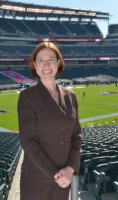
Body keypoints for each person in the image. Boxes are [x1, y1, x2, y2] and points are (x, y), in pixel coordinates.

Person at [17, 42, 82, 200]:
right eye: (40, 60)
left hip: (63, 180)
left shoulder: (70, 96)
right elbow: (28, 141)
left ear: (58, 62)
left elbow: (76, 136)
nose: (46, 65)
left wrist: (70, 169)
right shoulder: (27, 97)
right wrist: (57, 175)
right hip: (36, 180)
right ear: (34, 64)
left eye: (51, 59)